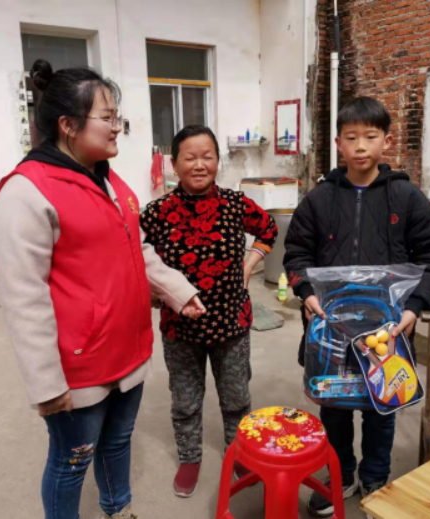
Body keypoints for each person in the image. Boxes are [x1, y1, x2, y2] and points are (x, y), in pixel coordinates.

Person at [0, 60, 206, 519]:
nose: (116, 127)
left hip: (127, 349)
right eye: (106, 117)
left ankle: (118, 509)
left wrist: (178, 291)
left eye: (116, 117)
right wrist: (46, 384)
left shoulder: (108, 178)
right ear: (67, 125)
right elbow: (24, 299)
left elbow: (137, 249)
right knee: (72, 461)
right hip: (79, 366)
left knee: (118, 441)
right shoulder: (26, 193)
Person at [284, 97, 430, 517]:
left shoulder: (406, 197)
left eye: (370, 137)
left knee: (382, 405)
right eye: (351, 137)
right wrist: (306, 292)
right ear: (338, 143)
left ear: (386, 141)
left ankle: (376, 475)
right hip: (331, 330)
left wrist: (414, 307)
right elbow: (296, 254)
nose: (361, 146)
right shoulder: (319, 199)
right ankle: (339, 474)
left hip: (387, 331)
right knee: (335, 407)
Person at [140, 125, 278, 498]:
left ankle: (239, 454)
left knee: (236, 397)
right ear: (174, 164)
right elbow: (133, 254)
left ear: (218, 161)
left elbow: (268, 229)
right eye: (190, 157)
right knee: (185, 400)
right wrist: (155, 293)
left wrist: (249, 264)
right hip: (180, 328)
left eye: (208, 157)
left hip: (232, 323)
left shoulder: (235, 204)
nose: (199, 165)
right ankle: (190, 457)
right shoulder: (157, 212)